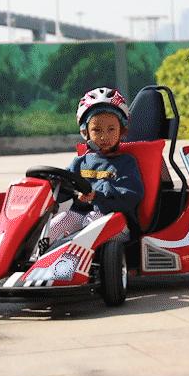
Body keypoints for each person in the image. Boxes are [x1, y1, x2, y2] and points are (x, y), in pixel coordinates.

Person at [38, 87, 144, 254]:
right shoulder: (80, 162)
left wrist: (97, 196)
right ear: (85, 132)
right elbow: (64, 190)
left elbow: (131, 196)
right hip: (82, 217)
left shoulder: (126, 163)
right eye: (97, 130)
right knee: (58, 222)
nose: (104, 136)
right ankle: (36, 258)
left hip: (116, 222)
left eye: (111, 129)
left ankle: (68, 256)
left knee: (92, 221)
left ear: (121, 130)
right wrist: (53, 185)